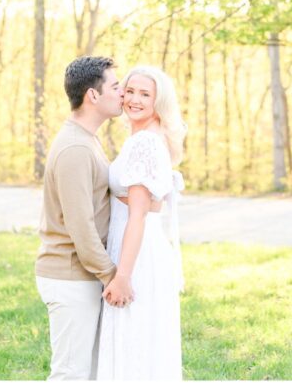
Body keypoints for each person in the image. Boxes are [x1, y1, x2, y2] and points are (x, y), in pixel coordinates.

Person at [36, 56, 126, 381]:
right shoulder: (75, 148)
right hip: (71, 276)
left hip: (82, 276)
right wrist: (114, 276)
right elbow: (81, 228)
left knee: (87, 373)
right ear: (93, 95)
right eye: (115, 86)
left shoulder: (86, 140)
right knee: (70, 375)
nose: (123, 92)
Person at [96, 66, 185, 380]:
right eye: (130, 91)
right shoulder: (143, 137)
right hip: (138, 244)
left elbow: (138, 213)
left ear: (158, 101)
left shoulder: (145, 142)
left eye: (144, 94)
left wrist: (122, 276)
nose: (133, 99)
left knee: (133, 340)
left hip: (137, 252)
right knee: (137, 339)